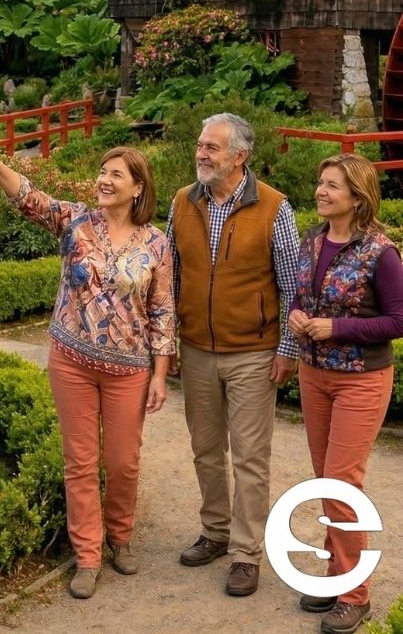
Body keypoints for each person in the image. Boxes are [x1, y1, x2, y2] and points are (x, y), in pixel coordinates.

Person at [0, 139, 176, 600]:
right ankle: (88, 556)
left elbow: (162, 311)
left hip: (129, 369)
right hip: (72, 362)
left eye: (116, 174)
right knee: (80, 463)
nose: (104, 179)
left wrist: (160, 373)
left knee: (123, 462)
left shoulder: (157, 243)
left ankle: (121, 537)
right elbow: (29, 198)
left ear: (138, 187)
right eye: (102, 170)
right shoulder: (75, 221)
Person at [167, 112, 299, 597]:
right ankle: (215, 532)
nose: (201, 153)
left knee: (249, 457)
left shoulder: (274, 208)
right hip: (197, 348)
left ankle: (246, 553)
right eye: (200, 145)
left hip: (253, 353)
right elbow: (172, 277)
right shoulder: (183, 202)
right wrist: (170, 341)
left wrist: (287, 348)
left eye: (212, 148)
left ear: (239, 156)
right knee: (205, 450)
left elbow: (291, 286)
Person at [288, 154, 403, 634]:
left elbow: (399, 320)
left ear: (357, 197)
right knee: (325, 482)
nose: (320, 190)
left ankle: (356, 594)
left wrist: (335, 327)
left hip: (361, 379)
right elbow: (300, 295)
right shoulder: (312, 239)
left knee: (341, 484)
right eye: (320, 182)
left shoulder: (382, 252)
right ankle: (337, 575)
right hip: (314, 375)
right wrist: (295, 315)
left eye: (331, 185)